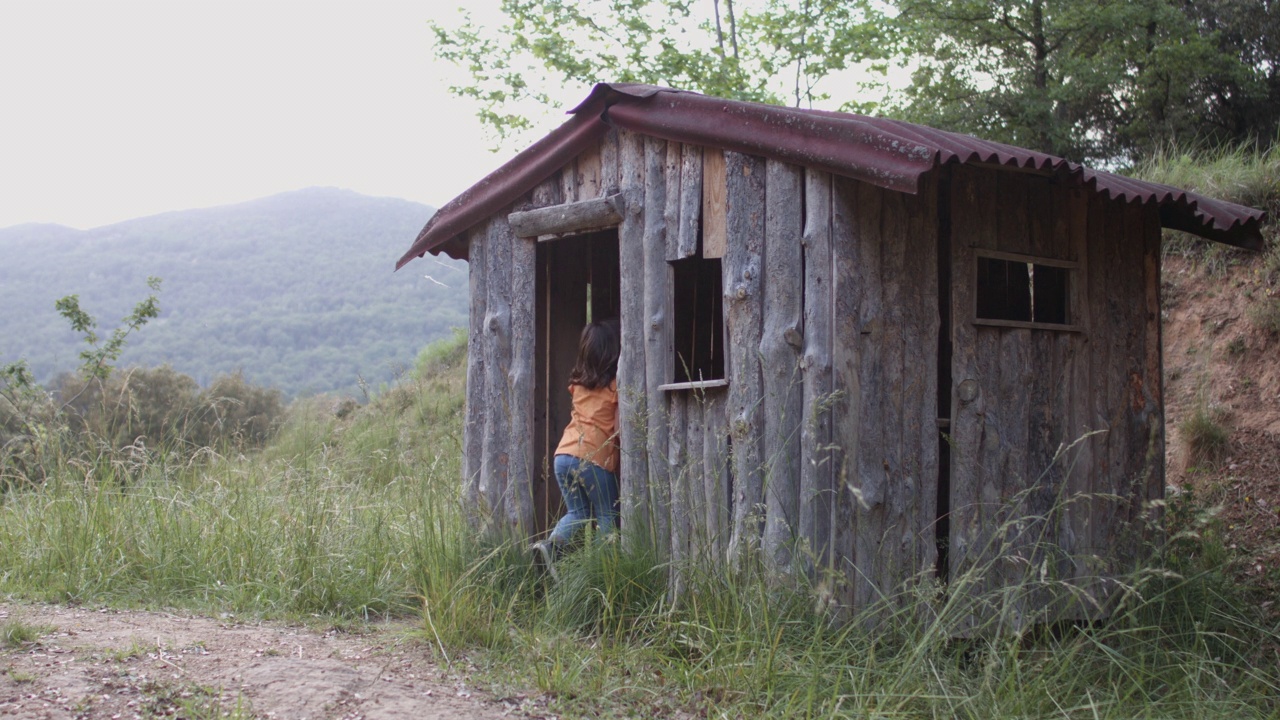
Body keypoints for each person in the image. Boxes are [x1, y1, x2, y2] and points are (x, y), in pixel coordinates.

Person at [531, 318, 621, 577]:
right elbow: (617, 429)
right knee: (607, 515)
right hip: (594, 458)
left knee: (579, 512)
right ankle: (603, 571)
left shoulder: (578, 386)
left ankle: (550, 547)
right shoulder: (614, 388)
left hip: (564, 455)